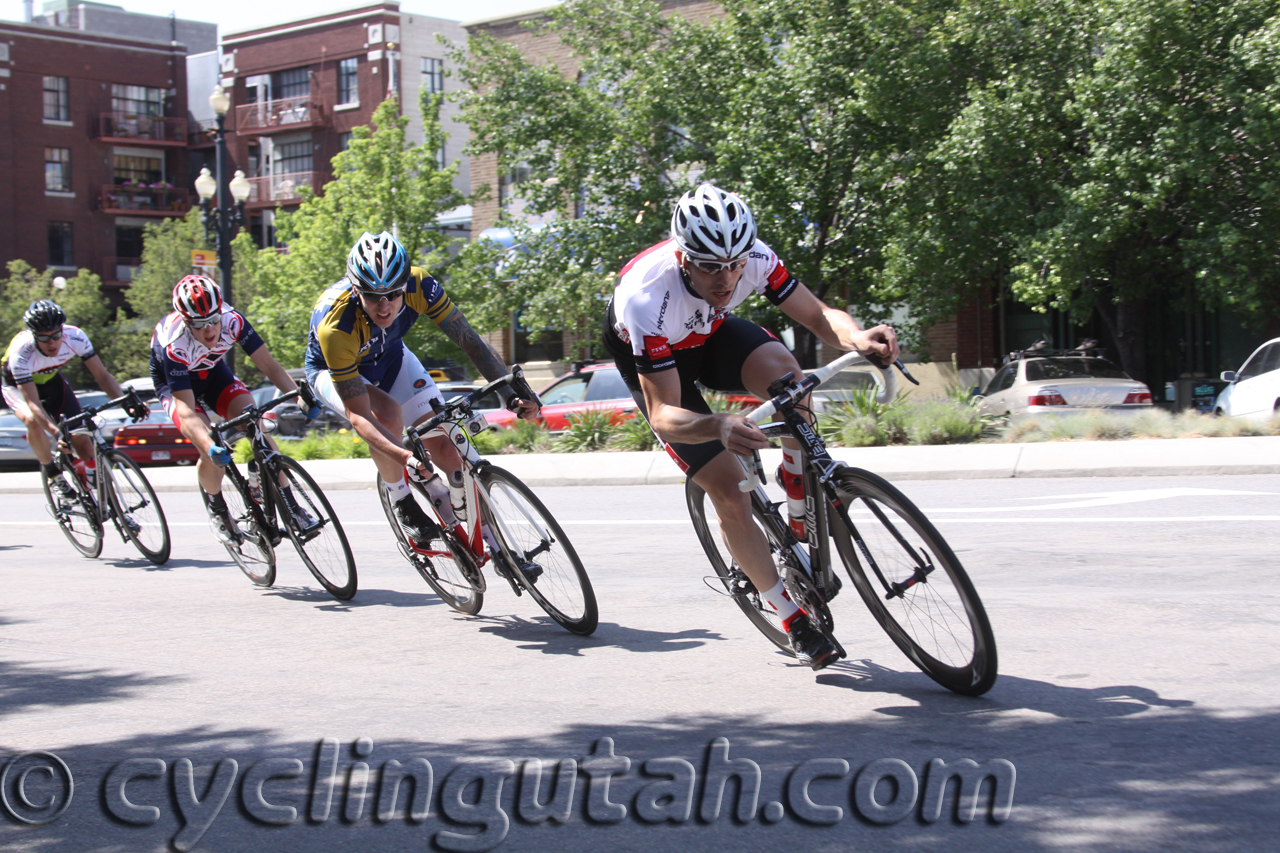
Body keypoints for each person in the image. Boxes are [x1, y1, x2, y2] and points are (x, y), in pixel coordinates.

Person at [603, 183, 901, 670]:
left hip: (708, 332)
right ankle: (789, 617)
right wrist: (718, 425)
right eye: (710, 267)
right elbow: (664, 414)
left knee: (792, 381)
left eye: (735, 265)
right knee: (728, 490)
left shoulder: (754, 257)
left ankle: (797, 482)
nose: (726, 278)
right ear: (683, 258)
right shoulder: (645, 298)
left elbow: (819, 315)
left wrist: (858, 336)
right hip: (660, 363)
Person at [304, 230, 540, 549]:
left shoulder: (421, 285)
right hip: (334, 372)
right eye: (373, 296)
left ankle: (487, 539)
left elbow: (469, 340)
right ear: (356, 290)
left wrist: (511, 392)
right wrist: (406, 458)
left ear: (406, 285)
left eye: (393, 294)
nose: (384, 306)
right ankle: (401, 499)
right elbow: (359, 417)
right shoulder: (336, 327)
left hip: (390, 356)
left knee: (444, 445)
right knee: (386, 413)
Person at [150, 275, 317, 543]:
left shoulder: (233, 321)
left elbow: (269, 366)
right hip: (177, 387)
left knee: (256, 425)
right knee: (210, 446)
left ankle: (292, 506)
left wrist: (298, 396)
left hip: (214, 374)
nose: (210, 330)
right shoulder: (174, 344)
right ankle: (217, 510)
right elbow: (185, 408)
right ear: (185, 321)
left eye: (213, 320)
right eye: (200, 325)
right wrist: (207, 442)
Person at [2, 300, 141, 501]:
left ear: (62, 330)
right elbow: (33, 403)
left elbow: (102, 376)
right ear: (34, 335)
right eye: (43, 338)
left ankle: (110, 504)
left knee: (82, 439)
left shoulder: (75, 337)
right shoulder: (22, 355)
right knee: (32, 420)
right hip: (16, 385)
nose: (52, 343)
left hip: (51, 380)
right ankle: (53, 473)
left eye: (56, 335)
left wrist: (125, 403)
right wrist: (57, 434)